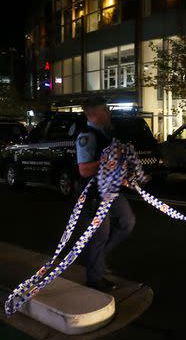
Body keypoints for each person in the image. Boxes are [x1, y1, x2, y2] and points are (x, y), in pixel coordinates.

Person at [76, 96, 136, 291]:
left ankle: (99, 258)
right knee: (99, 235)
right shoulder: (87, 136)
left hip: (111, 189)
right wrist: (109, 160)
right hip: (94, 194)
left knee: (127, 222)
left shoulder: (106, 134)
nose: (109, 112)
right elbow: (84, 170)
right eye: (105, 109)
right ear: (94, 113)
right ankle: (94, 278)